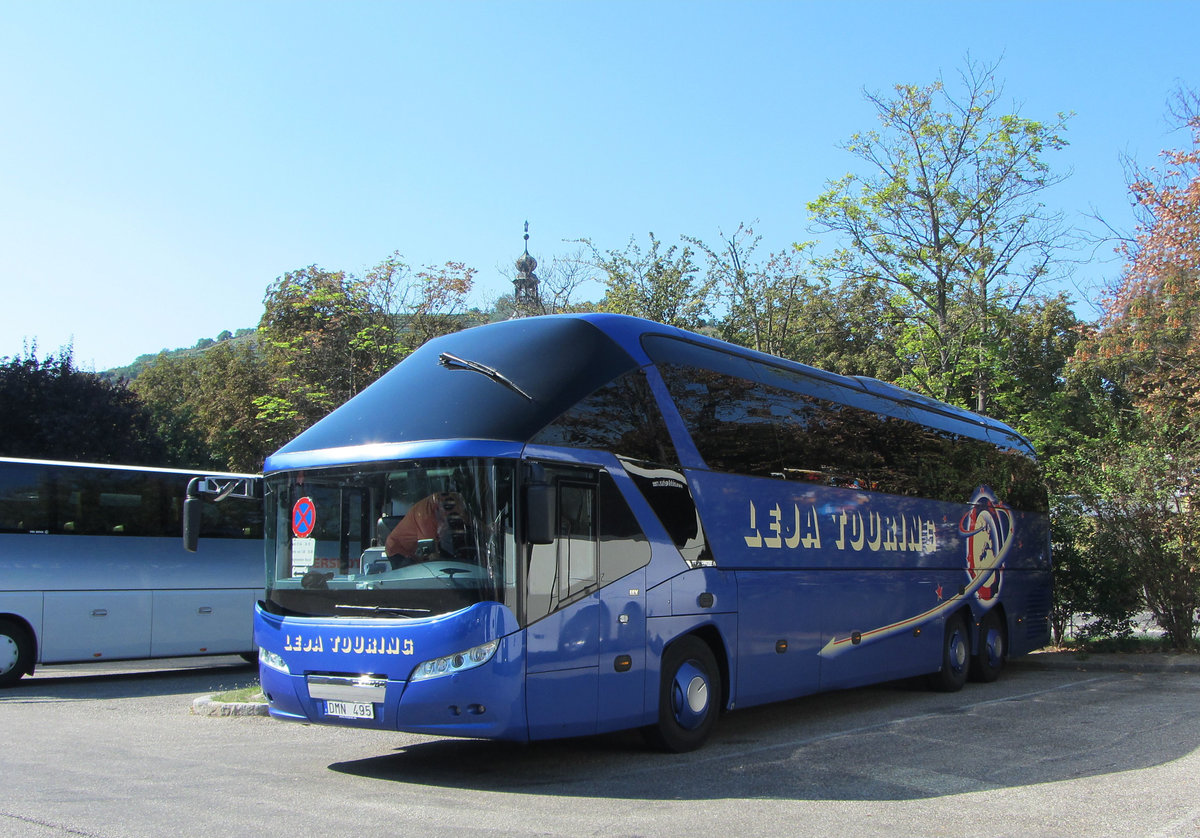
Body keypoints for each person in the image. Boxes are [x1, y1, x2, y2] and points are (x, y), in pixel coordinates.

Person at [385, 491, 470, 564]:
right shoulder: (425, 517)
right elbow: (431, 554)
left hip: (414, 550)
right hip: (398, 550)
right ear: (437, 507)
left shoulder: (448, 500)